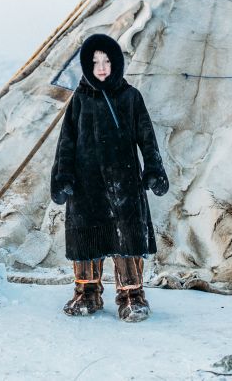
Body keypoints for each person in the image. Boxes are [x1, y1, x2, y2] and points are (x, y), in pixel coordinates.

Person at [50, 33, 168, 322]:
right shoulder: (79, 100)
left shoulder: (130, 97)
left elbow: (147, 138)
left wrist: (153, 170)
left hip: (124, 184)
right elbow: (66, 142)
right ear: (87, 66)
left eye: (106, 61)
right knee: (88, 240)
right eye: (95, 62)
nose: (101, 67)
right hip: (86, 186)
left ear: (116, 63)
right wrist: (62, 177)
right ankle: (87, 293)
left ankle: (132, 297)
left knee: (126, 240)